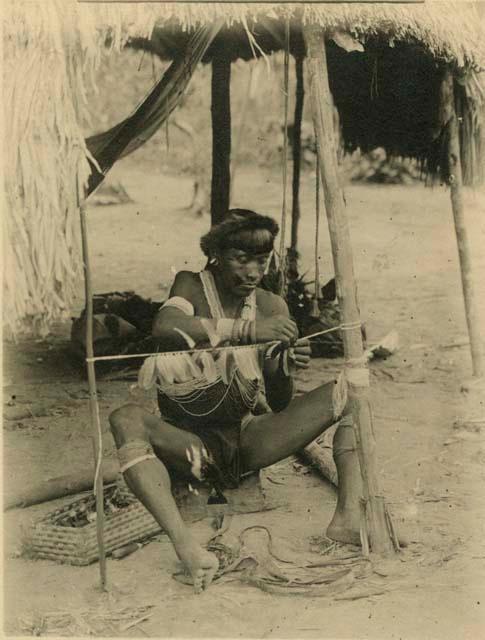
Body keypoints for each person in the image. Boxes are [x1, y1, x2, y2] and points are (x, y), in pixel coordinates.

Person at [109, 209, 362, 593]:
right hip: (188, 444)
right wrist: (247, 331)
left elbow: (278, 403)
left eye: (260, 261)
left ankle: (346, 519)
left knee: (352, 392)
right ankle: (187, 547)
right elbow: (165, 328)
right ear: (216, 254)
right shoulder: (191, 285)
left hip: (247, 438)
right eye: (240, 259)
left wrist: (283, 365)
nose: (251, 271)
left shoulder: (272, 306)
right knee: (125, 418)